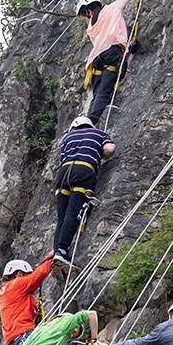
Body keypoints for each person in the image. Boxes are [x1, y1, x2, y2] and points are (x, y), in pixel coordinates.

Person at [75, 0, 150, 125]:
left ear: (88, 11)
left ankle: (88, 121)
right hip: (112, 54)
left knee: (97, 94)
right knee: (104, 92)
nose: (86, 21)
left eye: (85, 18)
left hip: (95, 62)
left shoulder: (90, 29)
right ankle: (91, 122)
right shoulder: (112, 9)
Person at [52, 116, 116, 275]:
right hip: (83, 170)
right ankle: (61, 252)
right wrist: (98, 154)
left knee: (62, 216)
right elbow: (110, 149)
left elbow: (62, 156)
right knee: (73, 213)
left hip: (63, 173)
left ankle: (57, 253)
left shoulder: (67, 137)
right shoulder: (99, 133)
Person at [0, 255, 54, 345]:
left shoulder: (8, 292)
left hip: (15, 343)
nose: (28, 278)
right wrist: (54, 258)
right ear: (19, 274)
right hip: (24, 336)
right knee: (62, 343)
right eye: (27, 275)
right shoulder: (16, 284)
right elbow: (39, 275)